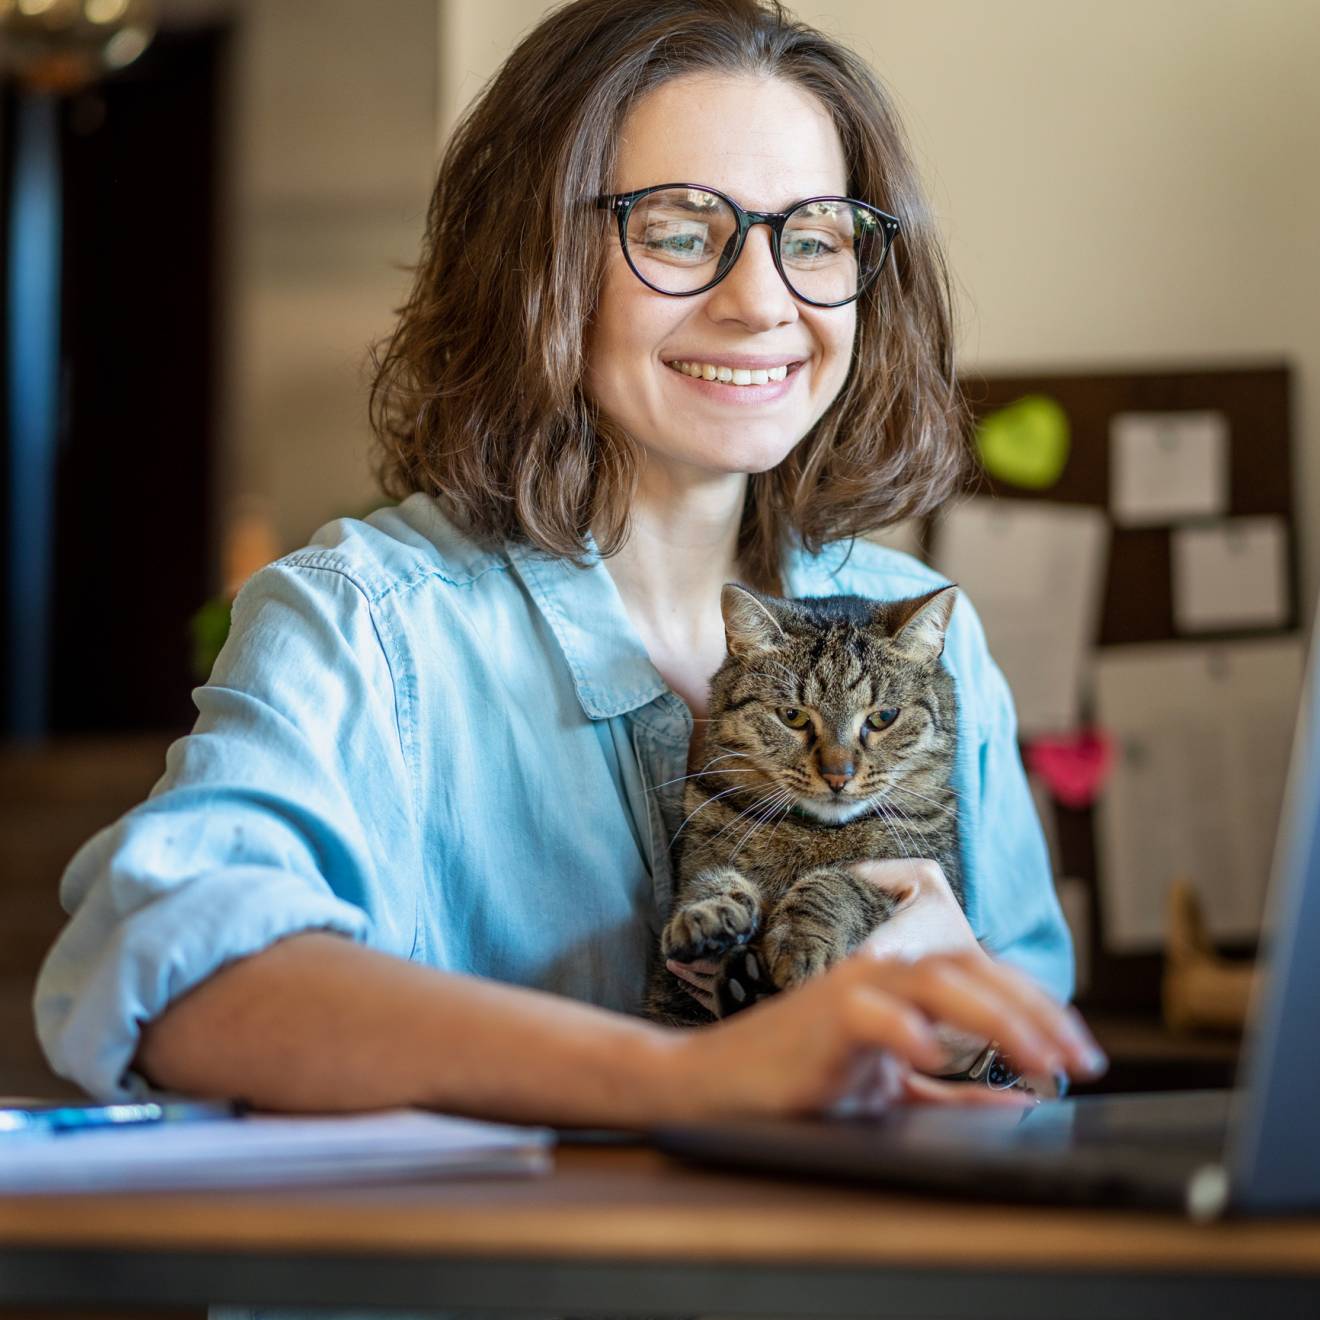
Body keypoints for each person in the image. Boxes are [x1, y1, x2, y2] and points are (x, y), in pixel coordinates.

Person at [34, 0, 1105, 1130]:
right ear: (534, 259)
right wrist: (692, 1083)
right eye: (682, 233)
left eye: (818, 236)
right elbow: (174, 979)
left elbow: (1038, 1070)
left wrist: (967, 1033)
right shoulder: (369, 621)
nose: (762, 302)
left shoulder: (918, 626)